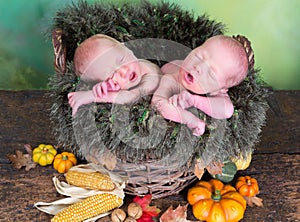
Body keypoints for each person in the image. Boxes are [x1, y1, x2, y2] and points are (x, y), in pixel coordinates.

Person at [151, 35, 249, 136]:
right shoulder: (171, 79)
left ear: (221, 90)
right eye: (198, 56)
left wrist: (195, 100)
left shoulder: (215, 92)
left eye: (211, 73)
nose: (198, 67)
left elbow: (227, 110)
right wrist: (189, 119)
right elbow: (158, 103)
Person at [68, 34, 161, 116]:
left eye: (121, 60)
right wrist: (104, 89)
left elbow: (131, 97)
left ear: (127, 48)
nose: (124, 72)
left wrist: (92, 95)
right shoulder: (130, 68)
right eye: (111, 75)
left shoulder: (151, 77)